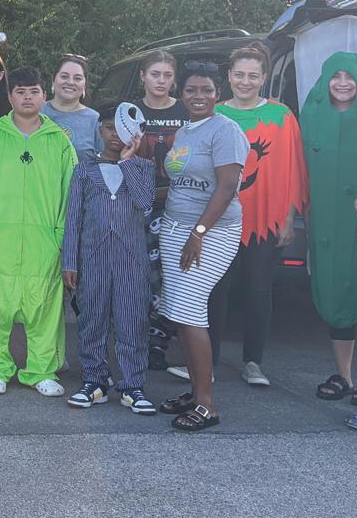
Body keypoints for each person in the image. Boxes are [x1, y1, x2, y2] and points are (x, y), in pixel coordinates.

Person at [0, 68, 76, 396]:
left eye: (34, 91)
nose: (27, 98)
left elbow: (71, 192)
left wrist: (62, 235)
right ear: (9, 96)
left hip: (45, 240)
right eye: (21, 92)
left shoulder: (59, 141)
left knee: (45, 307)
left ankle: (42, 371)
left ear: (45, 95)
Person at [153, 64, 247, 432]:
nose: (198, 96)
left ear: (217, 94)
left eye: (206, 90)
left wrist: (199, 232)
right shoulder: (185, 131)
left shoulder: (226, 130)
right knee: (178, 311)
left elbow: (227, 187)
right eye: (191, 89)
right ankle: (195, 392)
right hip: (175, 228)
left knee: (190, 309)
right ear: (181, 93)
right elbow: (181, 183)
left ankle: (207, 405)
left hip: (211, 233)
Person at [210, 46, 307, 387]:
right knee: (215, 289)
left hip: (265, 219)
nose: (245, 81)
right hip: (219, 219)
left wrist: (288, 218)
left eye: (253, 75)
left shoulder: (281, 116)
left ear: (264, 78)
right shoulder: (215, 113)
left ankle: (253, 361)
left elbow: (293, 168)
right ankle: (208, 360)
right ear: (229, 76)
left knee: (258, 288)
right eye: (239, 74)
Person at [302, 53, 357, 402]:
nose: (341, 83)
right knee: (337, 288)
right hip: (327, 218)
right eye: (335, 75)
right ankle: (344, 375)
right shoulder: (309, 115)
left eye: (349, 76)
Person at [61, 103, 156, 414]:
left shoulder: (143, 168)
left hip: (131, 260)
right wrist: (70, 261)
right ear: (99, 130)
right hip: (93, 258)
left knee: (132, 320)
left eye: (122, 128)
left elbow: (144, 201)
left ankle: (132, 385)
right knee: (92, 319)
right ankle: (95, 381)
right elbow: (73, 218)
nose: (116, 134)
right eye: (109, 127)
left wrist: (128, 161)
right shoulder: (84, 170)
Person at [132, 50, 187, 371]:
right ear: (143, 76)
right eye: (155, 74)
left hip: (178, 206)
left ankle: (160, 342)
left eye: (167, 75)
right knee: (142, 275)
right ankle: (135, 339)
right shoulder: (130, 111)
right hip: (139, 205)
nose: (161, 81)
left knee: (170, 276)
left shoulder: (185, 110)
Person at [42, 55, 99, 163]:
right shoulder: (36, 112)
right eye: (64, 76)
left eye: (77, 78)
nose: (70, 82)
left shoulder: (95, 120)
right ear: (53, 81)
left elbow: (104, 162)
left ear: (84, 85)